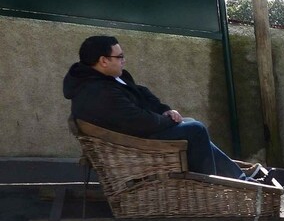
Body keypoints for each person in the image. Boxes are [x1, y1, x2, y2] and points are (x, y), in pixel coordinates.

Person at [63, 35, 262, 181]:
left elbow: (142, 94)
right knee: (195, 129)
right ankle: (220, 182)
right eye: (120, 56)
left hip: (134, 134)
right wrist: (168, 120)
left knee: (191, 124)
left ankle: (237, 175)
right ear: (103, 61)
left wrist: (165, 110)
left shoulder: (111, 78)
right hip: (132, 143)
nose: (124, 60)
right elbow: (137, 121)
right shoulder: (98, 90)